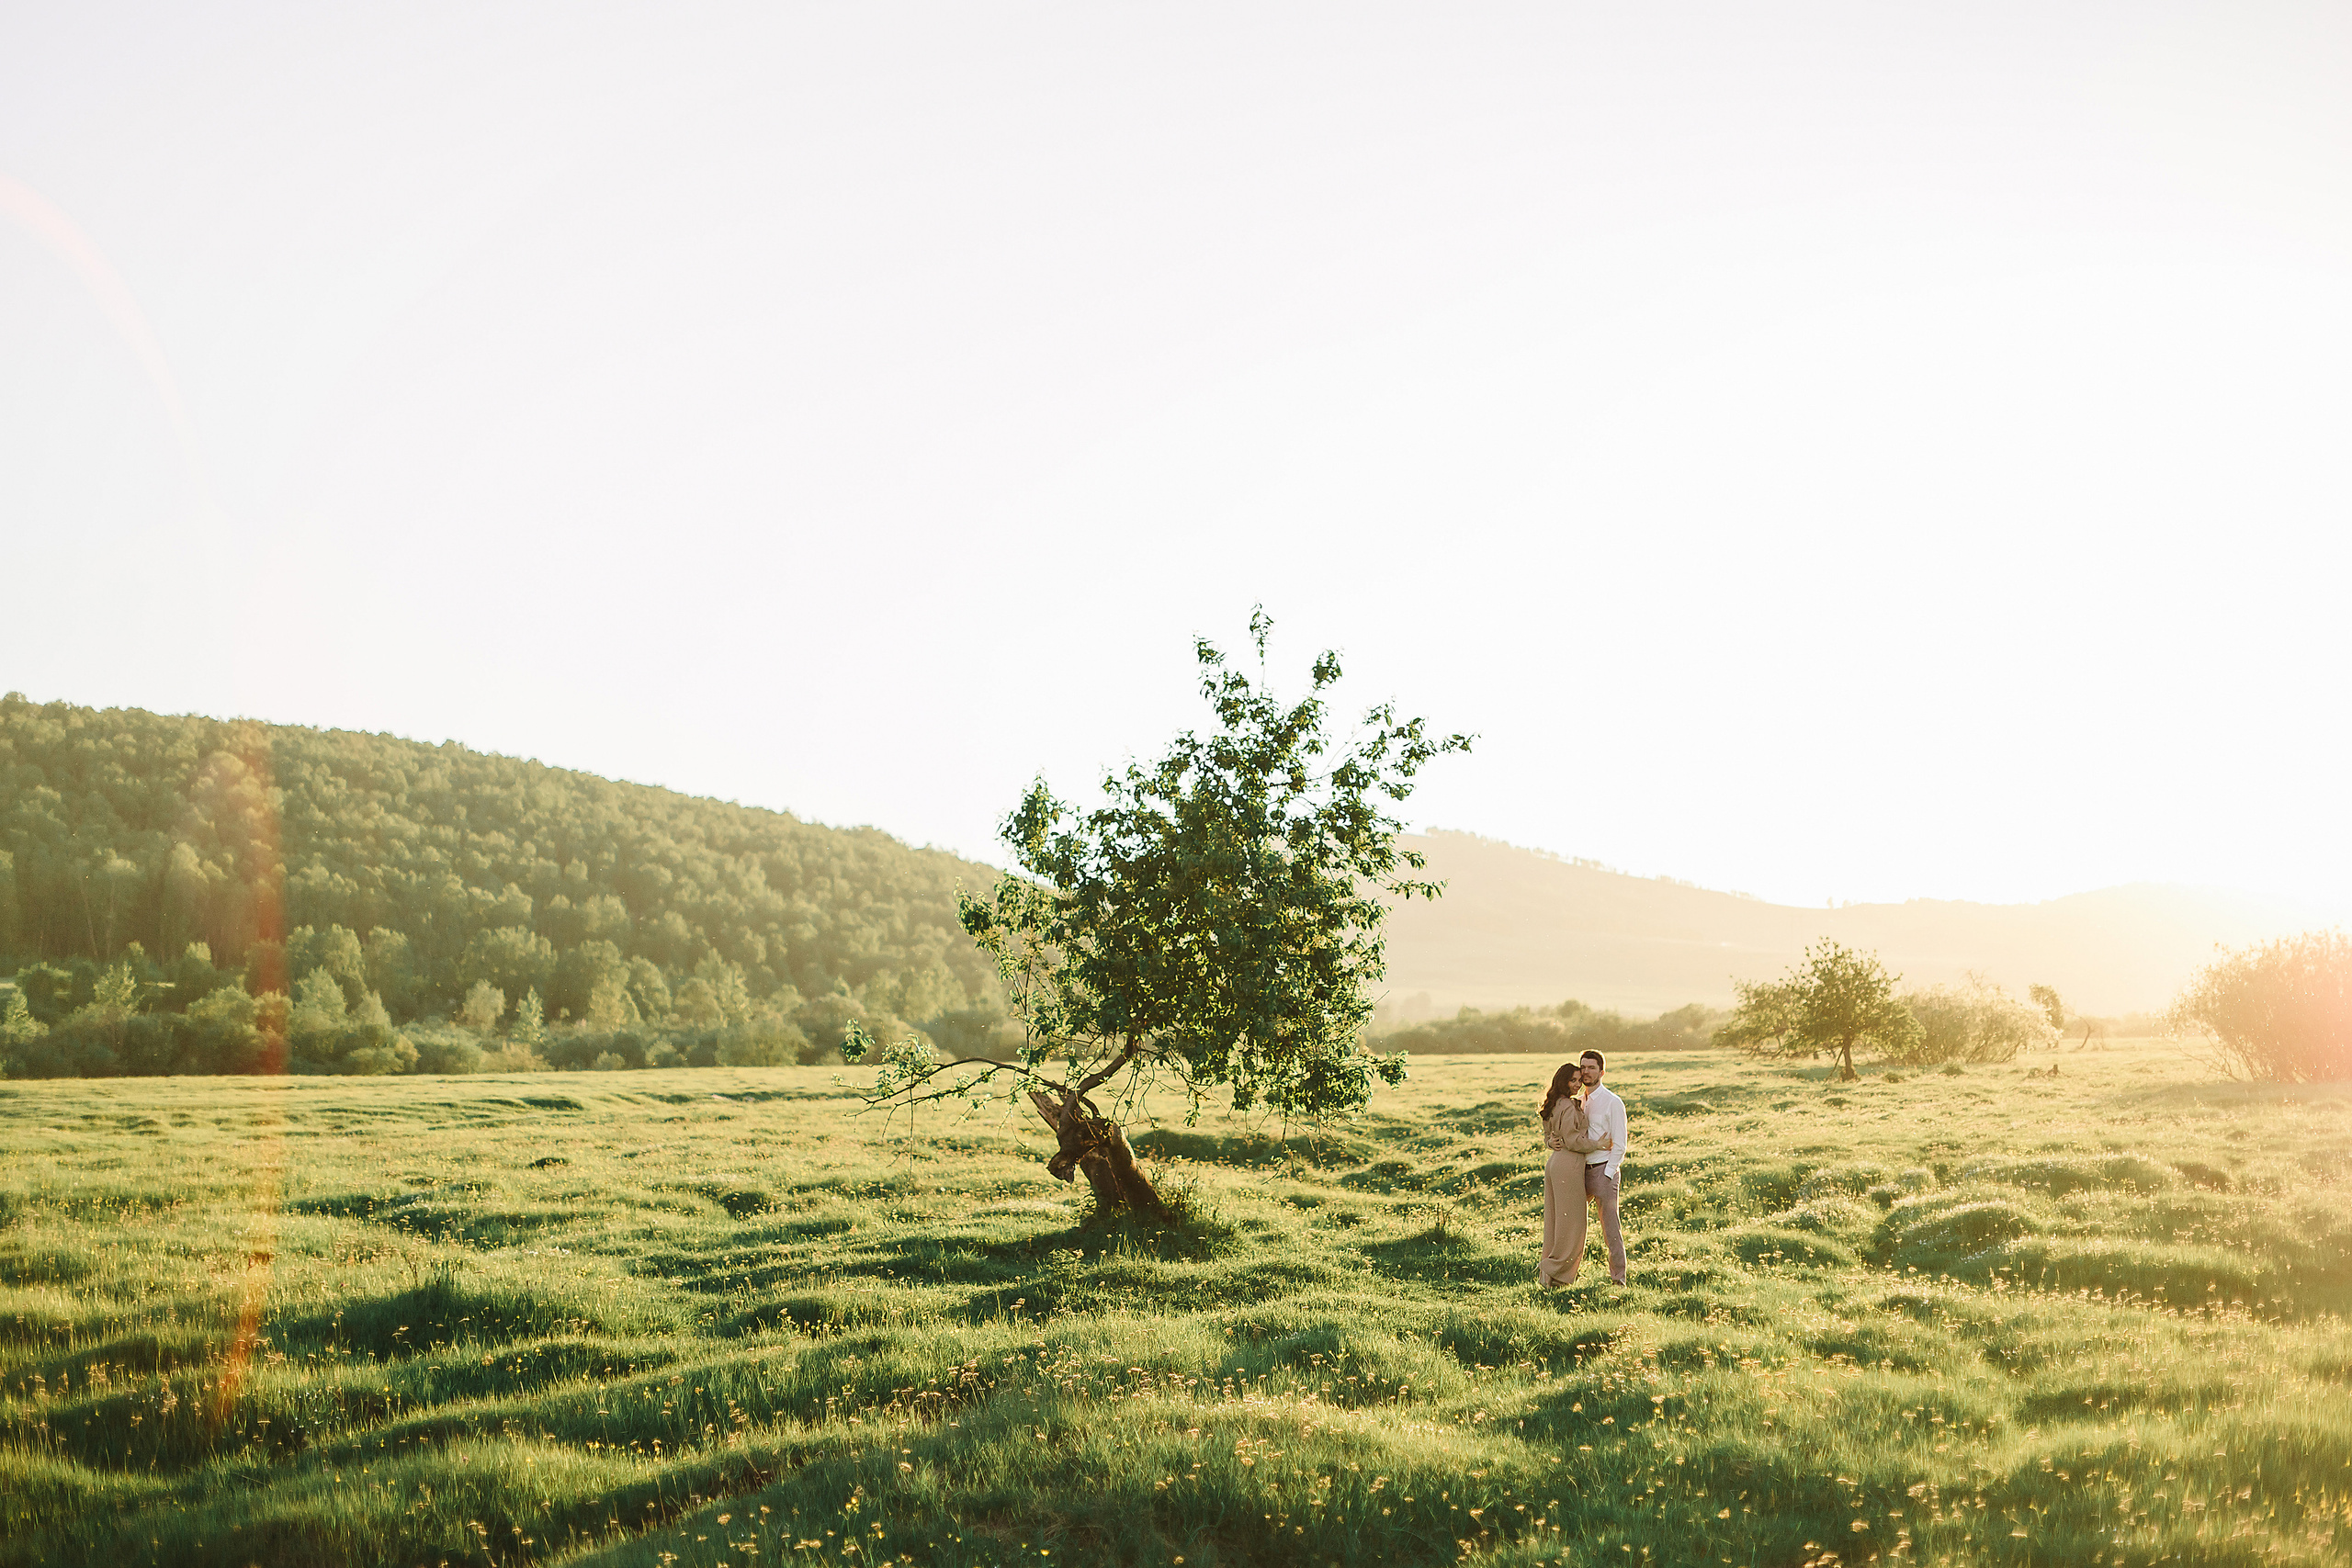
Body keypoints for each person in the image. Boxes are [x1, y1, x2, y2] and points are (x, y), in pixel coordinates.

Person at [1536, 1056, 1613, 1288]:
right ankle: (1556, 1271)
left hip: (1555, 1164)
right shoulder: (1568, 1106)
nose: (1577, 1084)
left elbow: (1548, 1134)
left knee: (1556, 1221)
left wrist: (1550, 1142)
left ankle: (1549, 1276)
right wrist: (1598, 1145)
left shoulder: (1556, 1103)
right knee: (1573, 1225)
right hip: (1568, 1165)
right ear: (1563, 1082)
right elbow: (1572, 1141)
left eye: (1579, 1080)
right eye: (1572, 1081)